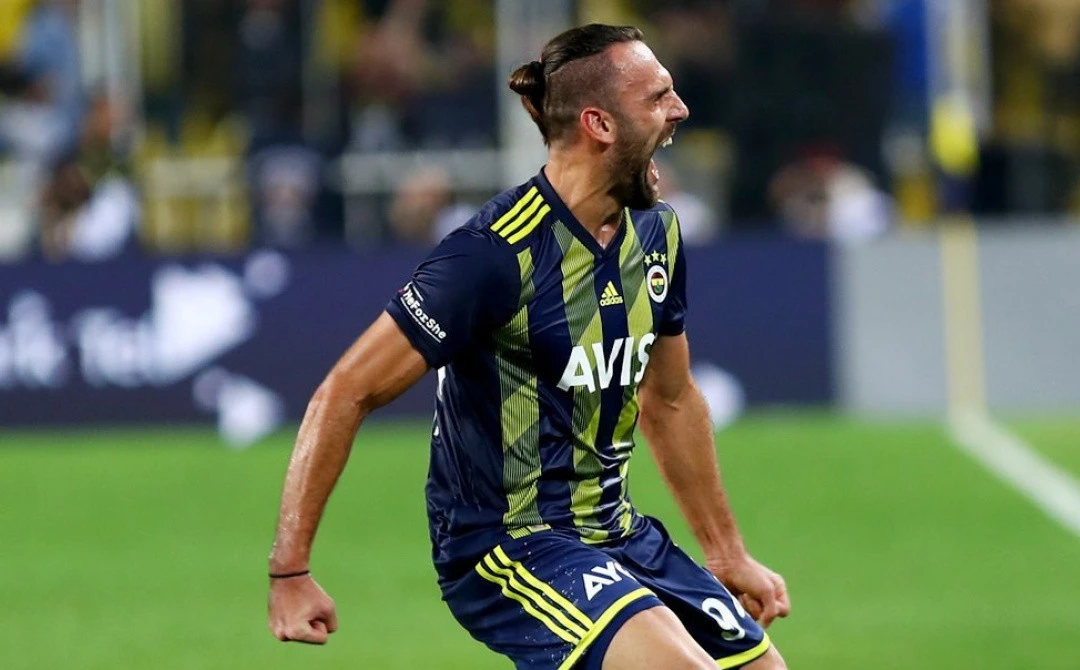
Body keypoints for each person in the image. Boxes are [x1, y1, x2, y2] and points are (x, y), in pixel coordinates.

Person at [266, 24, 790, 669]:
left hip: (617, 532)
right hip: (508, 544)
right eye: (658, 97)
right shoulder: (491, 255)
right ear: (599, 124)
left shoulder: (656, 233)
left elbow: (672, 399)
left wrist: (727, 552)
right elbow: (345, 392)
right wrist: (290, 571)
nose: (680, 109)